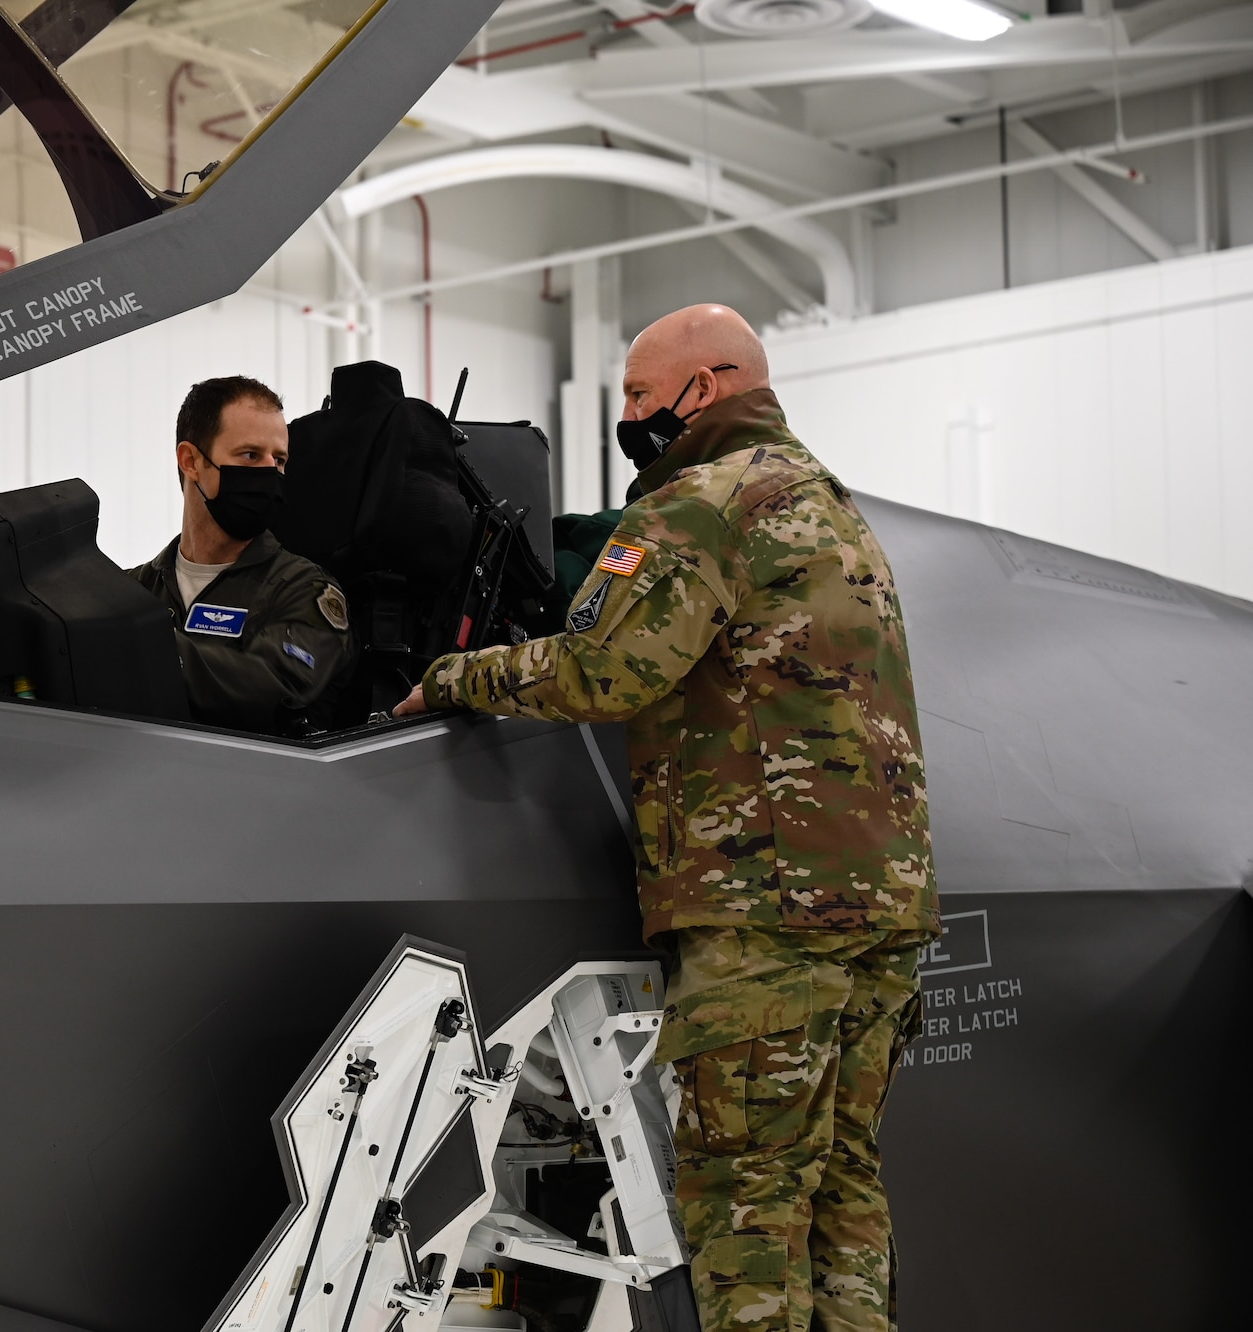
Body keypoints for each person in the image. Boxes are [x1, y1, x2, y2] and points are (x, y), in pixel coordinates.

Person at [393, 305, 939, 1332]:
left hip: (765, 907)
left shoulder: (700, 502)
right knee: (839, 1189)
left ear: (706, 386)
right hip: (881, 906)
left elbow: (608, 669)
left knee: (746, 1202)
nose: (630, 415)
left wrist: (461, 676)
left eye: (640, 396)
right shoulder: (829, 506)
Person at [130, 376, 353, 734]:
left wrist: (130, 647)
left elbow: (276, 686)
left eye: (279, 460)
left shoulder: (305, 590)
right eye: (250, 455)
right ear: (190, 461)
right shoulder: (133, 590)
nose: (270, 472)